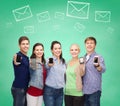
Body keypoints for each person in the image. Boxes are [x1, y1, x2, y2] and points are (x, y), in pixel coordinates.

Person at [83, 36, 106, 106]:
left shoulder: (98, 57)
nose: (89, 45)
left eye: (91, 43)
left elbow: (103, 69)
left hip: (94, 90)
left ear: (95, 45)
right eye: (87, 43)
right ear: (85, 45)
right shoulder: (83, 58)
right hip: (84, 91)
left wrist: (98, 66)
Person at [43, 41, 66, 106]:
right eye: (55, 49)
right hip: (49, 91)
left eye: (59, 48)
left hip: (60, 91)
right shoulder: (48, 60)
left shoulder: (63, 62)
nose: (58, 50)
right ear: (52, 50)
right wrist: (49, 65)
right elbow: (46, 67)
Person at [11, 36, 30, 106]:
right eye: (23, 44)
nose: (25, 46)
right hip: (19, 89)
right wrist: (15, 61)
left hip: (25, 88)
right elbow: (16, 62)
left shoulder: (27, 58)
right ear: (19, 45)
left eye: (27, 44)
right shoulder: (18, 56)